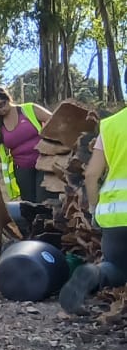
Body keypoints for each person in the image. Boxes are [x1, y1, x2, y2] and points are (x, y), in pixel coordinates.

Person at [59, 103, 127, 312]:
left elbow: (91, 175)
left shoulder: (110, 125)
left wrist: (95, 208)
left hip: (115, 214)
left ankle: (93, 274)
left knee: (116, 268)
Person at [0, 86, 49, 204]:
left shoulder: (29, 109)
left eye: (1, 105)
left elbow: (56, 121)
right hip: (22, 168)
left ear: (8, 99)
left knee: (43, 202)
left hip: (44, 163)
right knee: (29, 204)